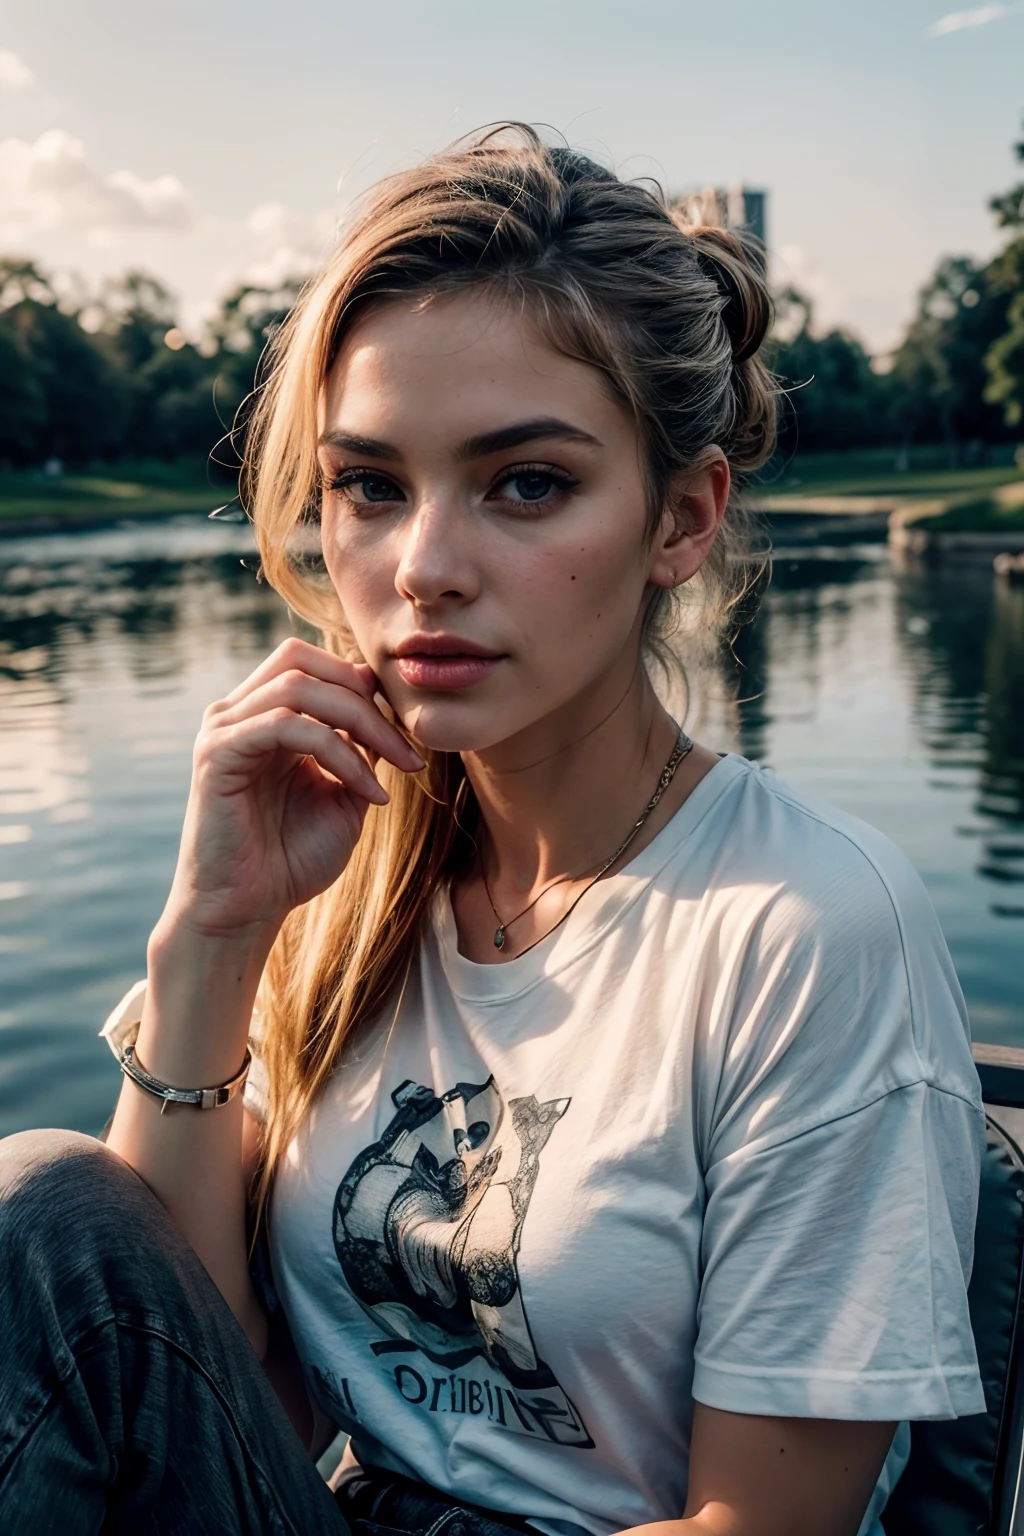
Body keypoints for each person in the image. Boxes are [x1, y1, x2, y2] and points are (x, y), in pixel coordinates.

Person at [0, 125, 985, 1536]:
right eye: (370, 486)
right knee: (45, 1212)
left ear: (684, 517)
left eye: (526, 483)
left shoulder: (802, 925)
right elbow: (188, 1385)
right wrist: (215, 938)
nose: (424, 569)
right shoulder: (342, 888)